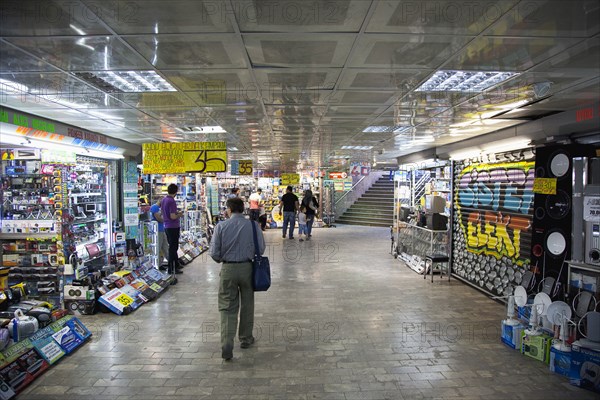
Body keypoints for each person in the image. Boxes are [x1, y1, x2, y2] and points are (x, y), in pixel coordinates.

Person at [209, 197, 265, 361]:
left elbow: (214, 253)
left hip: (228, 269)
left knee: (227, 306)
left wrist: (222, 259)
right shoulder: (253, 226)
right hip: (248, 268)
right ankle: (246, 338)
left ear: (229, 210)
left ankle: (227, 343)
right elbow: (260, 249)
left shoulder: (221, 226)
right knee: (247, 304)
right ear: (243, 209)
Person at [161, 184, 184, 275]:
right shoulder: (171, 201)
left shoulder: (164, 200)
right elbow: (173, 216)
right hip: (173, 226)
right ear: (176, 191)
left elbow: (165, 213)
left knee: (172, 246)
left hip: (166, 225)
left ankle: (176, 265)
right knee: (173, 248)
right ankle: (172, 268)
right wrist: (179, 214)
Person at [149, 197, 169, 269]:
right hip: (157, 231)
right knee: (159, 247)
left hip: (161, 229)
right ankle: (158, 264)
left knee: (165, 246)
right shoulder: (154, 207)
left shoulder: (160, 208)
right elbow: (159, 218)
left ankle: (170, 262)